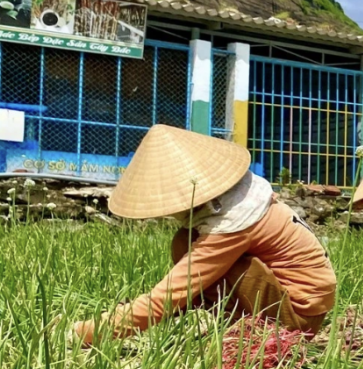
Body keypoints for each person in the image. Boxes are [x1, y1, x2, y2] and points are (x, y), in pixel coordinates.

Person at [71, 125, 337, 346]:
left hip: (297, 316)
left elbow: (172, 293)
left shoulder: (234, 222)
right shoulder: (241, 194)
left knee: (191, 271)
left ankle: (248, 329)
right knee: (183, 242)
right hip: (292, 301)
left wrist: (87, 332)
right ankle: (210, 316)